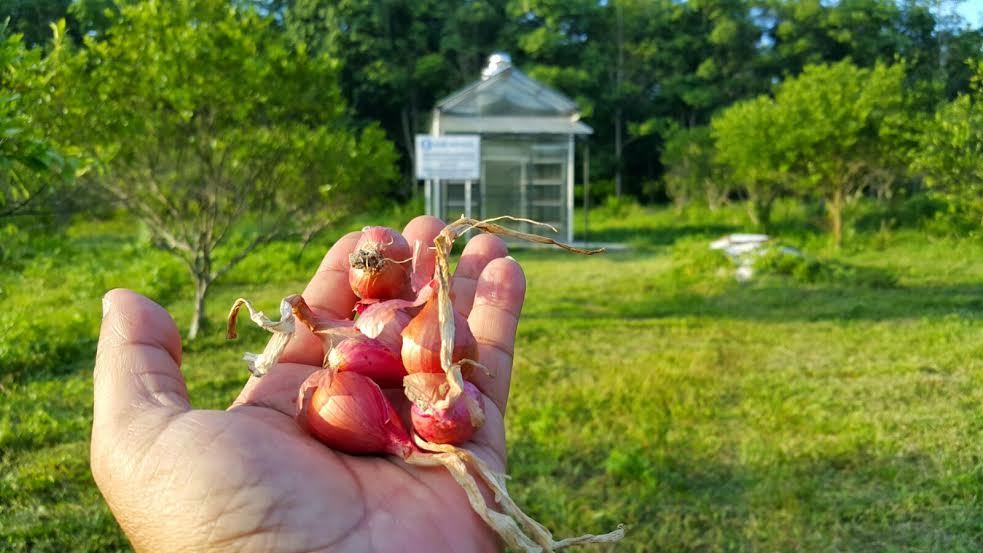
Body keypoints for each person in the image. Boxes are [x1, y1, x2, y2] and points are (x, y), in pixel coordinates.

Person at [90, 216, 524, 552]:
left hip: (390, 374)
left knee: (354, 355)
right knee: (350, 356)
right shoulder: (354, 350)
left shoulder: (367, 343)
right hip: (385, 385)